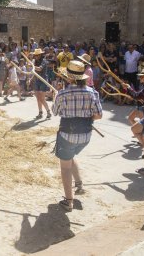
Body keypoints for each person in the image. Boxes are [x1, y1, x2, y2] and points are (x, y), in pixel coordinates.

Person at [52, 60, 103, 211]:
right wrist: (85, 118)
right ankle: (79, 185)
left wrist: (57, 97)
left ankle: (69, 201)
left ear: (69, 78)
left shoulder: (63, 93)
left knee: (65, 167)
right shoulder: (93, 92)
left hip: (68, 135)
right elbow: (99, 115)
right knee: (70, 156)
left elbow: (55, 112)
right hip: (85, 136)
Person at [33, 48, 52, 119]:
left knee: (42, 98)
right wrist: (31, 79)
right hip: (37, 80)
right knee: (38, 98)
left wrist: (32, 66)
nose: (36, 56)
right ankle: (40, 112)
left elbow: (39, 69)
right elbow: (34, 72)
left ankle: (48, 112)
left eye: (37, 55)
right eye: (35, 55)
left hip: (43, 80)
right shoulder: (35, 61)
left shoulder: (44, 61)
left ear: (40, 55)